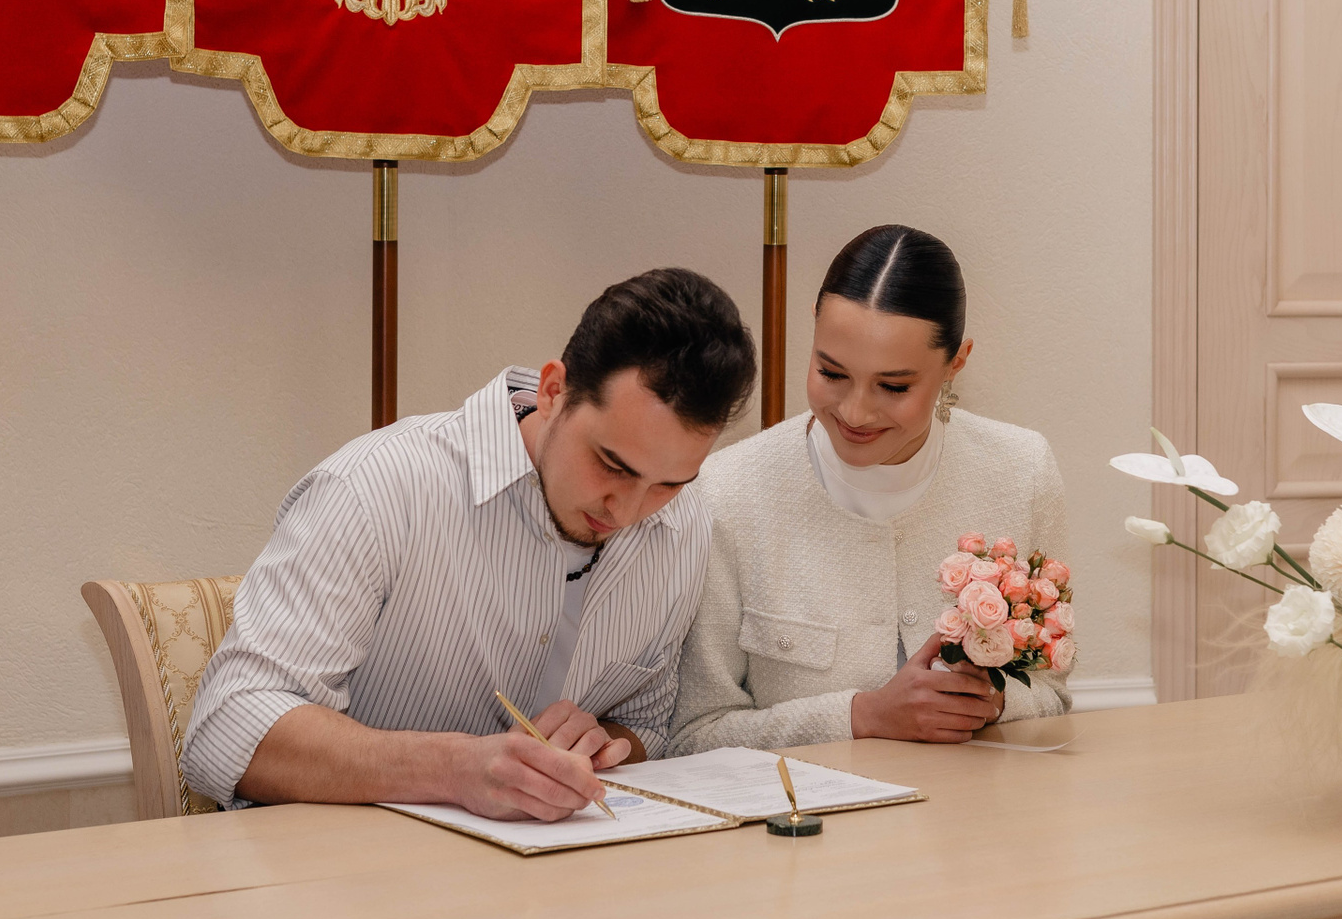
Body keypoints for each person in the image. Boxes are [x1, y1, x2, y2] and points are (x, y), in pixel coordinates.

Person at [183, 268, 756, 821]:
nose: (627, 512)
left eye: (668, 484)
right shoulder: (377, 486)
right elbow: (227, 727)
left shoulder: (683, 527)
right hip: (344, 868)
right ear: (553, 391)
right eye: (612, 465)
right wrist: (453, 769)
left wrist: (601, 743)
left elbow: (649, 725)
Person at [671, 226, 1072, 754]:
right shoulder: (726, 493)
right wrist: (862, 716)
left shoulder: (1022, 471)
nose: (855, 413)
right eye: (831, 373)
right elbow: (693, 735)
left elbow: (1051, 691)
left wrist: (992, 701)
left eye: (893, 386)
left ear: (956, 362)